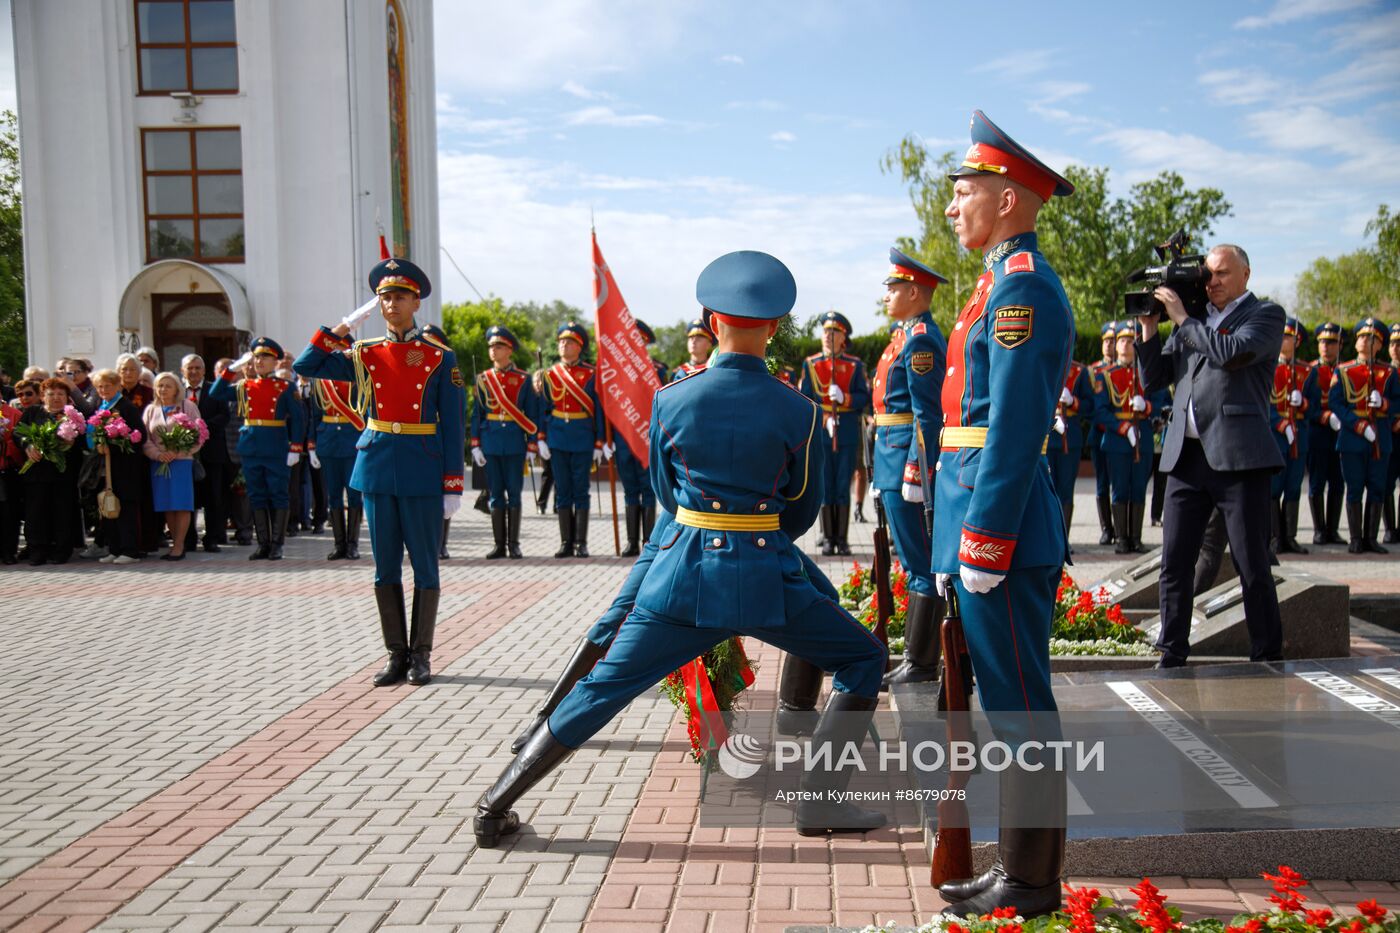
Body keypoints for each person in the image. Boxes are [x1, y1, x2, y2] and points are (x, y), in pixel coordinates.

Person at [474, 249, 887, 849]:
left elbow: (668, 496)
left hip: (682, 580)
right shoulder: (799, 408)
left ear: (711, 320)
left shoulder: (670, 399)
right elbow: (802, 506)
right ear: (773, 327)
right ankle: (821, 802)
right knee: (862, 659)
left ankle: (493, 806)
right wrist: (758, 533)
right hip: (770, 579)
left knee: (602, 690)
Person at [927, 111, 1075, 917]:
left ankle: (1031, 882)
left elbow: (1014, 426)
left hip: (1004, 532)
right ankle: (1020, 870)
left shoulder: (1021, 288)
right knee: (1007, 703)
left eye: (964, 191)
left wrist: (982, 538)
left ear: (1009, 199)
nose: (953, 207)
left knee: (1021, 710)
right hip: (982, 520)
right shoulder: (995, 282)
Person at [294, 257, 466, 688]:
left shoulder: (440, 358)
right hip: (376, 467)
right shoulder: (362, 353)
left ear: (416, 302)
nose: (391, 304)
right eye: (385, 297)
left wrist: (452, 483)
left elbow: (454, 424)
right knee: (384, 567)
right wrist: (339, 330)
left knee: (425, 567)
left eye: (400, 296)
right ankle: (396, 654)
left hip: (422, 468)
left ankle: (422, 656)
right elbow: (305, 366)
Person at [1136, 242, 1284, 667]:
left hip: (1241, 459)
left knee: (1250, 562)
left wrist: (1181, 318)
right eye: (1208, 274)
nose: (1212, 281)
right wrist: (1149, 330)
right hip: (1187, 457)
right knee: (1175, 562)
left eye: (1221, 273)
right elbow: (1154, 380)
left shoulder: (1265, 315)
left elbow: (1229, 353)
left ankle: (1267, 653)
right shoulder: (1194, 321)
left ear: (1245, 275)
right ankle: (1172, 651)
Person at [873, 246, 948, 687]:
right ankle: (913, 658)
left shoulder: (920, 339)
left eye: (893, 286)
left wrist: (917, 470)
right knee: (908, 563)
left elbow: (926, 413)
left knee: (920, 565)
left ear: (915, 291)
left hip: (905, 461)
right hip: (889, 456)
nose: (887, 294)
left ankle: (921, 664)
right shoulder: (904, 336)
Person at [209, 338, 307, 561]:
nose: (259, 361)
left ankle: (277, 544)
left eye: (265, 357)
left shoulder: (285, 387)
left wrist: (296, 447)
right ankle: (263, 543)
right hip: (251, 447)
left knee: (279, 495)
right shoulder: (245, 385)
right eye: (256, 357)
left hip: (275, 446)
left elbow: (299, 419)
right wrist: (230, 370)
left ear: (275, 361)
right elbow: (216, 393)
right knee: (256, 495)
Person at [799, 310, 870, 557]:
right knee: (825, 484)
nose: (828, 336)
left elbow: (864, 398)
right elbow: (806, 398)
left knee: (842, 484)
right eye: (825, 331)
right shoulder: (812, 364)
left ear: (844, 337)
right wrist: (825, 417)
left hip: (847, 431)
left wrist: (846, 398)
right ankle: (828, 538)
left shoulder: (855, 365)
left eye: (834, 332)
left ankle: (843, 538)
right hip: (822, 432)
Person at [1329, 317, 1398, 554]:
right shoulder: (1344, 370)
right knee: (1355, 487)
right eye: (1361, 337)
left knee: (1377, 487)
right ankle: (1356, 538)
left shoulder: (1388, 373)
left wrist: (1385, 403)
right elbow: (1335, 402)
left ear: (1379, 345)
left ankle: (1371, 538)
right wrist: (1358, 425)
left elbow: (1398, 402)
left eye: (1371, 338)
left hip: (1380, 438)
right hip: (1352, 438)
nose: (1364, 341)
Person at [470, 325, 537, 560]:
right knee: (496, 494)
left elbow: (532, 413)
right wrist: (475, 443)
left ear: (509, 350)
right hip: (490, 441)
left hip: (514, 442)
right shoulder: (483, 379)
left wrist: (532, 444)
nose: (493, 350)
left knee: (515, 493)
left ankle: (514, 544)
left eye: (498, 346)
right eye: (491, 346)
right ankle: (499, 544)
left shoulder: (522, 380)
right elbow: (477, 413)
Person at [538, 321, 605, 558]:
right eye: (561, 342)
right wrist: (541, 437)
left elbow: (598, 408)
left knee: (581, 490)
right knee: (563, 490)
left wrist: (599, 441)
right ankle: (566, 542)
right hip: (557, 436)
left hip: (582, 436)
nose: (563, 345)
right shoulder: (550, 374)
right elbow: (543, 408)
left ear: (579, 346)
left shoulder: (590, 374)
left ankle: (581, 542)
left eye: (569, 342)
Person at [1093, 321, 1158, 554]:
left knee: (1139, 487)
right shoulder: (1106, 376)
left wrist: (1148, 406)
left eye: (1131, 341)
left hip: (1143, 437)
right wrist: (1123, 428)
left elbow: (1163, 404)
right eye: (1122, 340)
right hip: (1117, 440)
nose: (1126, 345)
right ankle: (1121, 538)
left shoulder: (1147, 374)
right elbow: (1100, 410)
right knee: (1119, 487)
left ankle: (1136, 537)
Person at [17, 378, 86, 565]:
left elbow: (84, 441)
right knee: (35, 513)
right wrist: (28, 445)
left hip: (62, 473)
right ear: (42, 396)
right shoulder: (32, 412)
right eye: (51, 394)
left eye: (60, 394)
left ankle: (61, 550)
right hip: (37, 472)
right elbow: (19, 433)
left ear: (67, 397)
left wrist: (72, 441)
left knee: (62, 512)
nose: (56, 398)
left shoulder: (72, 416)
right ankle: (37, 550)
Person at [612, 319, 666, 556]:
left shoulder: (659, 370)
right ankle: (632, 541)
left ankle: (648, 541)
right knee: (630, 490)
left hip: (648, 438)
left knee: (648, 489)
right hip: (624, 438)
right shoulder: (616, 371)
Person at [142, 372, 205, 561]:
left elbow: (199, 434)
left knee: (181, 504)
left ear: (177, 388)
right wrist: (159, 454)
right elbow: (145, 438)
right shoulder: (151, 410)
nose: (163, 390)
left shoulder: (188, 406)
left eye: (168, 386)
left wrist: (178, 452)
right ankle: (173, 546)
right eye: (160, 386)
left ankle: (179, 546)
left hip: (181, 462)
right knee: (167, 504)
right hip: (159, 462)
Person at [1269, 318, 1316, 555]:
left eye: (1287, 336)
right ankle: (1276, 537)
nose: (1282, 340)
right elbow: (1261, 405)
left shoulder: (1308, 371)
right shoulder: (1266, 367)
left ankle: (1290, 537)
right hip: (1276, 437)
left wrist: (1304, 402)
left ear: (1296, 341)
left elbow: (1317, 407)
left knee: (1294, 486)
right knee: (1273, 487)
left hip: (1299, 437)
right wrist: (1279, 423)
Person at [89, 369, 145, 565]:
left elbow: (139, 435)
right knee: (108, 506)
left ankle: (130, 550)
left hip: (125, 467)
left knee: (125, 507)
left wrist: (114, 442)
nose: (103, 389)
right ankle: (114, 548)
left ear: (118, 386)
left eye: (108, 385)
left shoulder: (126, 407)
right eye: (100, 386)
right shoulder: (100, 405)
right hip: (106, 465)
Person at [181, 355, 230, 554]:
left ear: (204, 370)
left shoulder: (215, 389)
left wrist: (201, 428)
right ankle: (188, 538)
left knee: (213, 498)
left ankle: (212, 538)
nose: (193, 372)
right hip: (183, 452)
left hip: (212, 451)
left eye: (197, 368)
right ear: (182, 370)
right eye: (189, 368)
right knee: (188, 498)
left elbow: (224, 416)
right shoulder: (177, 390)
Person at [1305, 322, 1347, 545]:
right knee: (1317, 481)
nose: (1325, 347)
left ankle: (1333, 529)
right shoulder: (1311, 370)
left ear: (1340, 345)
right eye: (1322, 341)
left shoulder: (1345, 370)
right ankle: (1319, 529)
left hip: (1340, 433)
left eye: (1331, 342)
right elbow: (1309, 406)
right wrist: (1324, 417)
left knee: (1338, 482)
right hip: (1318, 432)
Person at [1047, 351, 1092, 537]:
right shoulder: (1043, 364)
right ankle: (1047, 537)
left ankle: (1063, 538)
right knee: (1048, 489)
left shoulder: (1079, 372)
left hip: (1069, 437)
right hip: (1048, 435)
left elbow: (1090, 406)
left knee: (1066, 490)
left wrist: (1073, 402)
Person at [1087, 321, 1118, 545]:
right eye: (1106, 341)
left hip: (1118, 434)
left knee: (1119, 483)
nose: (1109, 345)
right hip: (1099, 434)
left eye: (1112, 341)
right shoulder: (1093, 371)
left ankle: (1123, 529)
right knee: (1102, 483)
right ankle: (1106, 528)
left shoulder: (1124, 371)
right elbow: (1091, 406)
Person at [0, 392, 24, 563]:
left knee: (8, 513)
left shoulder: (14, 414)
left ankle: (9, 551)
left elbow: (20, 441)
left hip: (7, 469)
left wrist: (5, 444)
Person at [1385, 323, 1400, 544]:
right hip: (1388, 434)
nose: (1396, 347)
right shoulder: (1383, 371)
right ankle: (1389, 529)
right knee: (1386, 483)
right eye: (1393, 343)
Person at [670, 317, 714, 381]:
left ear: (709, 344)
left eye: (699, 338)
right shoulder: (679, 372)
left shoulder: (713, 369)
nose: (693, 341)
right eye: (691, 338)